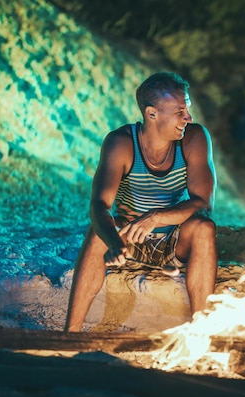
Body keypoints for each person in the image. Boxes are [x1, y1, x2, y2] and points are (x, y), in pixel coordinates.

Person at [65, 72, 217, 332]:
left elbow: (203, 203)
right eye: (180, 111)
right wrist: (113, 243)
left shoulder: (194, 139)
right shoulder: (121, 143)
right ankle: (70, 334)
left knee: (204, 228)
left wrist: (158, 217)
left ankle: (200, 333)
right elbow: (99, 205)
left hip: (175, 239)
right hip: (129, 237)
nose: (188, 117)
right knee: (96, 233)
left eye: (188, 108)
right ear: (152, 113)